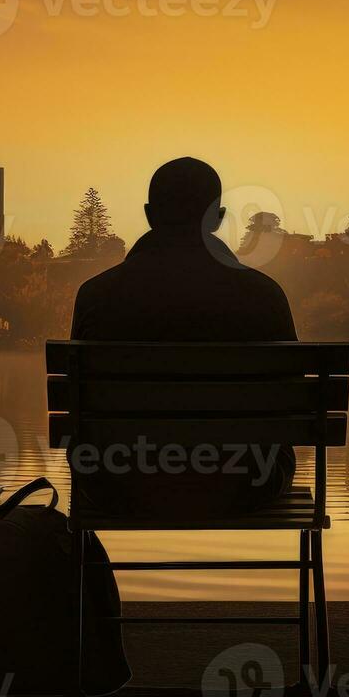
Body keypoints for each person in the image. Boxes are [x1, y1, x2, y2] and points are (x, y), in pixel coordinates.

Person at [70, 157, 297, 516]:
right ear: (218, 218)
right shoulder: (264, 295)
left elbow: (78, 405)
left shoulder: (96, 294)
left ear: (149, 214)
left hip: (117, 483)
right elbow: (290, 402)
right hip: (246, 482)